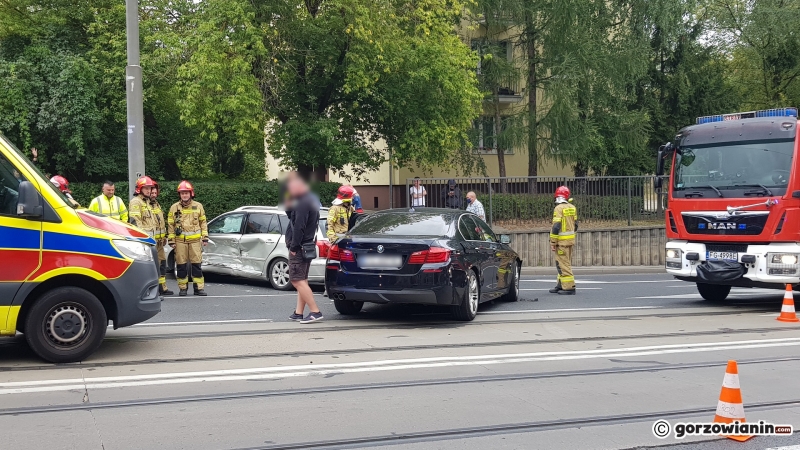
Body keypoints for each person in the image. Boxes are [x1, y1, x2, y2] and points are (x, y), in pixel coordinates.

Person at [286, 175, 323, 323]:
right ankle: (298, 312)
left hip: (300, 247)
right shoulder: (310, 201)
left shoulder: (302, 203)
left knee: (296, 281)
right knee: (302, 280)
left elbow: (299, 226)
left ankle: (315, 311)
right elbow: (293, 218)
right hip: (306, 245)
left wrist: (294, 247)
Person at [167, 181, 209, 296]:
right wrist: (171, 240)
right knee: (181, 265)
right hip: (180, 242)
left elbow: (203, 223)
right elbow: (171, 225)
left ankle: (198, 288)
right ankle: (183, 288)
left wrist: (205, 237)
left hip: (195, 241)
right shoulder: (174, 207)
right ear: (179, 195)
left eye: (186, 193)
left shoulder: (198, 206)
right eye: (182, 193)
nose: (184, 195)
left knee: (197, 265)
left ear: (191, 193)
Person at [549, 186, 578, 295]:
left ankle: (569, 288)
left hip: (561, 242)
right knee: (563, 263)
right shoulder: (572, 207)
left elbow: (556, 226)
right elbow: (576, 225)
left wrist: (553, 242)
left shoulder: (558, 208)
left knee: (563, 265)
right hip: (569, 241)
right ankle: (560, 285)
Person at [149, 181, 173, 295]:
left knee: (162, 264)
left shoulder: (157, 204)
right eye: (152, 192)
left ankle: (162, 288)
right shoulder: (146, 205)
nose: (153, 194)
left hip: (160, 242)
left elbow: (161, 224)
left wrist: (164, 237)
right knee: (153, 266)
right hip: (152, 242)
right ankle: (154, 289)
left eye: (155, 192)